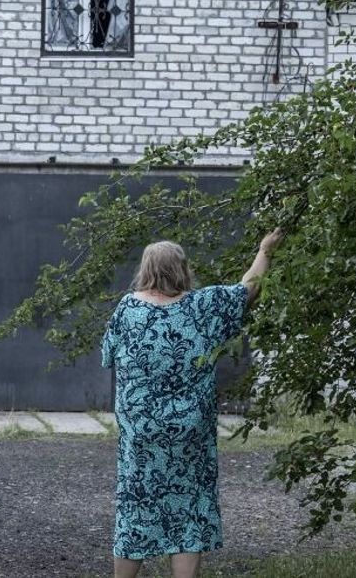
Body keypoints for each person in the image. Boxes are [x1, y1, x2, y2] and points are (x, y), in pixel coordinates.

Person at [101, 229, 284, 578]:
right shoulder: (203, 306)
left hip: (141, 435)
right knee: (189, 512)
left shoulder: (127, 310)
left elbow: (108, 356)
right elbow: (249, 288)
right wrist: (265, 249)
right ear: (182, 269)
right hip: (190, 435)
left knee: (135, 509)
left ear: (146, 269)